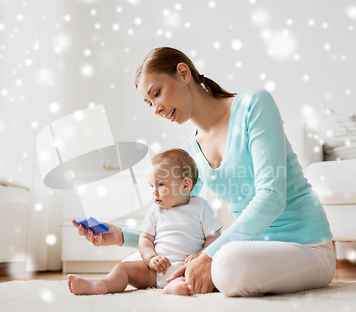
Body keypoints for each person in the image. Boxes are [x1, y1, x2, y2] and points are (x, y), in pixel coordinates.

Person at [74, 47, 336, 297]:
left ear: (183, 73)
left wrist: (208, 256)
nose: (156, 109)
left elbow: (272, 197)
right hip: (252, 249)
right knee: (144, 264)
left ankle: (212, 270)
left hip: (307, 247)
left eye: (157, 93)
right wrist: (120, 237)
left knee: (226, 266)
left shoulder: (254, 105)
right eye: (148, 103)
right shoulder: (190, 149)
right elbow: (178, 211)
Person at [68, 148, 222, 296]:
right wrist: (151, 258)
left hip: (188, 267)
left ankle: (176, 286)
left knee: (198, 278)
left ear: (185, 185)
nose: (154, 191)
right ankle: (102, 284)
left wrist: (201, 256)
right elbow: (146, 238)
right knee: (124, 269)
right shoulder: (156, 210)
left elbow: (214, 238)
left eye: (161, 184)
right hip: (155, 270)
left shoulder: (200, 207)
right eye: (151, 185)